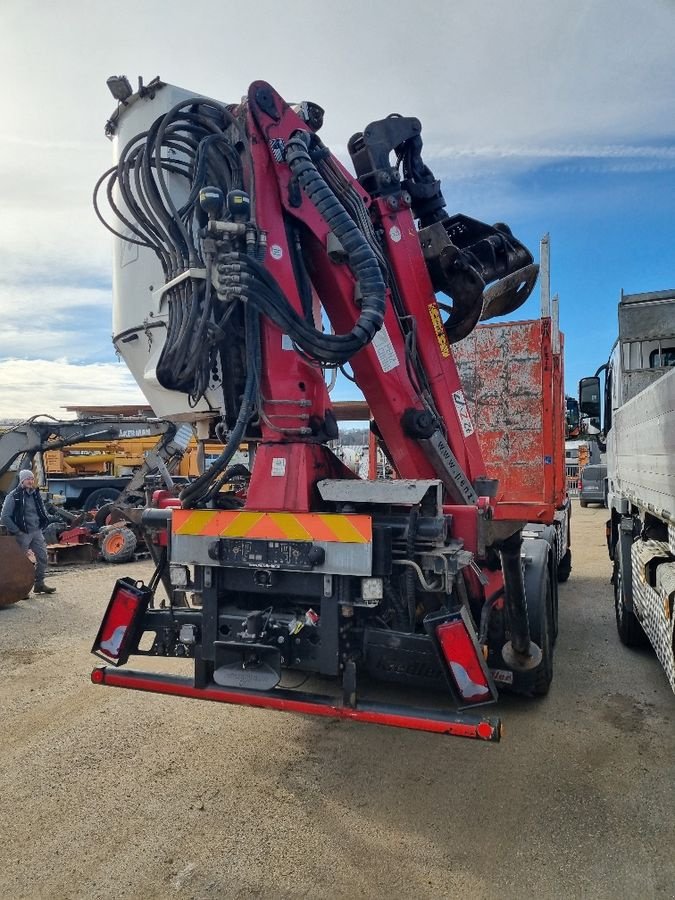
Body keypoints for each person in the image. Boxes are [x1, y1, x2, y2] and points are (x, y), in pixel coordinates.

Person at [0, 469, 56, 594]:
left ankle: (39, 584)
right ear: (22, 480)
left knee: (43, 558)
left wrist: (45, 520)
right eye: (28, 479)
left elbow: (41, 510)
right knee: (20, 563)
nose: (30, 481)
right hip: (22, 533)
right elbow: (4, 517)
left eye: (32, 479)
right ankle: (20, 590)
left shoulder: (36, 494)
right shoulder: (13, 496)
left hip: (37, 532)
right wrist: (17, 531)